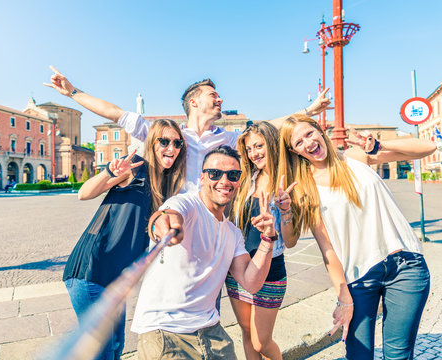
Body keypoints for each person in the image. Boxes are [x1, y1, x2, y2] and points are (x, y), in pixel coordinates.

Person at [278, 114, 436, 359]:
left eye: (309, 134)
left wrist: (379, 146)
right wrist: (343, 298)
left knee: (398, 355)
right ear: (294, 150)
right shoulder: (304, 187)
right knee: (358, 355)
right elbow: (325, 248)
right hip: (359, 279)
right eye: (298, 142)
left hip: (406, 267)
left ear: (319, 130)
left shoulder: (356, 156)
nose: (308, 143)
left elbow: (428, 147)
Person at [44, 66, 331, 191]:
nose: (219, 99)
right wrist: (73, 93)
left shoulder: (229, 138)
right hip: (175, 220)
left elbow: (267, 127)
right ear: (194, 102)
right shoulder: (169, 137)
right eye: (212, 95)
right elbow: (116, 113)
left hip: (215, 220)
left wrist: (307, 112)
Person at [131, 145, 277, 359]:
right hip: (165, 331)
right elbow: (166, 214)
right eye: (215, 174)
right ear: (201, 178)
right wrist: (164, 226)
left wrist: (268, 239)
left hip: (211, 332)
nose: (224, 181)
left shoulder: (233, 233)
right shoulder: (187, 204)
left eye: (233, 175)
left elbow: (251, 282)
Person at [62, 119, 187, 360]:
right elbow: (83, 193)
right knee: (103, 352)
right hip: (92, 272)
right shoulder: (135, 169)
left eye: (177, 143)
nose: (171, 148)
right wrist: (110, 172)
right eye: (164, 141)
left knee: (115, 349)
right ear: (152, 143)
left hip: (117, 281)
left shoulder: (168, 184)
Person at [227, 121, 298, 360]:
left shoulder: (288, 183)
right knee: (247, 334)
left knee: (261, 342)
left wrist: (285, 210)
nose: (254, 153)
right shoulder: (246, 179)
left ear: (272, 144)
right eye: (249, 149)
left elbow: (290, 241)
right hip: (238, 267)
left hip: (270, 269)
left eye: (259, 146)